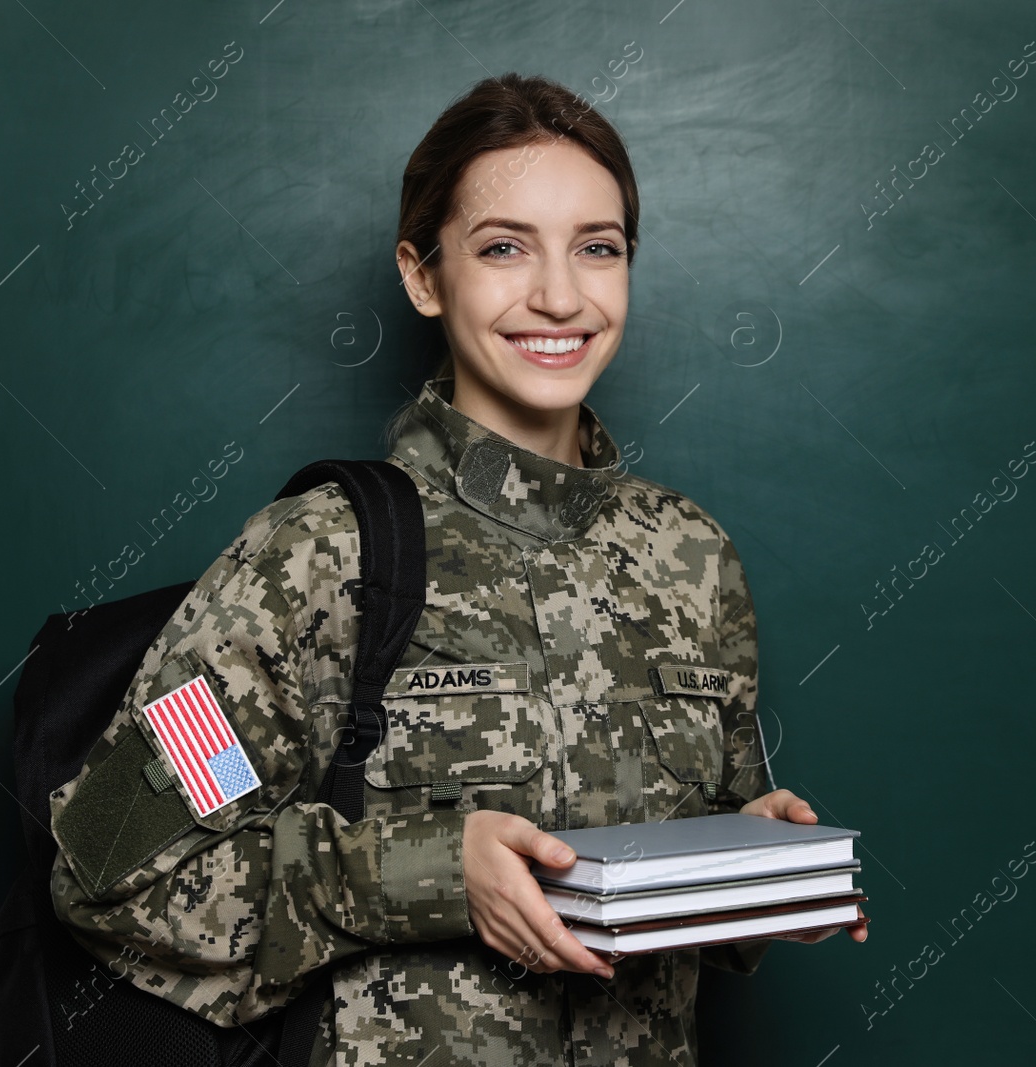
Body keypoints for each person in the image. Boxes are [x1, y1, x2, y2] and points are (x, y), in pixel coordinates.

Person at [48, 71, 865, 1067]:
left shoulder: (690, 559)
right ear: (423, 275)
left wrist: (755, 869)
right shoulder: (313, 557)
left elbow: (668, 888)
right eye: (503, 247)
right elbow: (117, 873)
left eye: (596, 249)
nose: (558, 295)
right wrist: (431, 871)